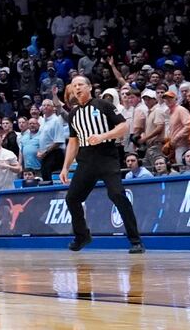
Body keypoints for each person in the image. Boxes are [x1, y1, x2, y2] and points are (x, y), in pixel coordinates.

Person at [61, 73, 144, 253]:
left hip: (106, 156)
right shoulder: (73, 114)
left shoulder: (103, 105)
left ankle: (135, 240)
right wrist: (65, 167)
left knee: (117, 195)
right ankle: (82, 236)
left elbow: (123, 127)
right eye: (74, 85)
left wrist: (102, 136)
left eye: (81, 84)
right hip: (86, 160)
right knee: (72, 198)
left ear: (89, 87)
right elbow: (73, 142)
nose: (77, 88)